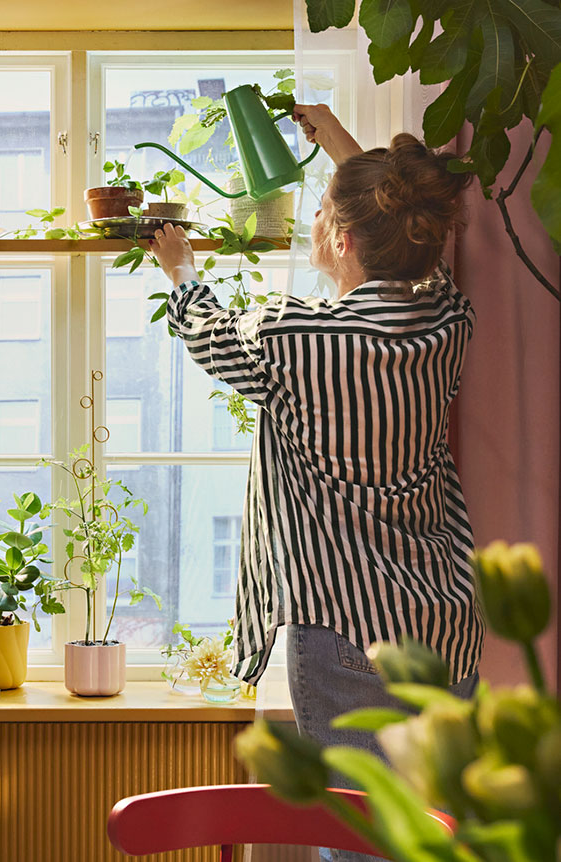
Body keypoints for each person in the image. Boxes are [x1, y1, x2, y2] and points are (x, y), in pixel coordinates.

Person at [149, 103, 484, 862]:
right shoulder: (446, 323)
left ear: (337, 237)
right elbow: (417, 244)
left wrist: (182, 269)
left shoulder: (293, 337)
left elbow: (207, 331)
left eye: (324, 212)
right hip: (446, 625)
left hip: (346, 629)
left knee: (360, 839)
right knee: (430, 835)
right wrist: (342, 148)